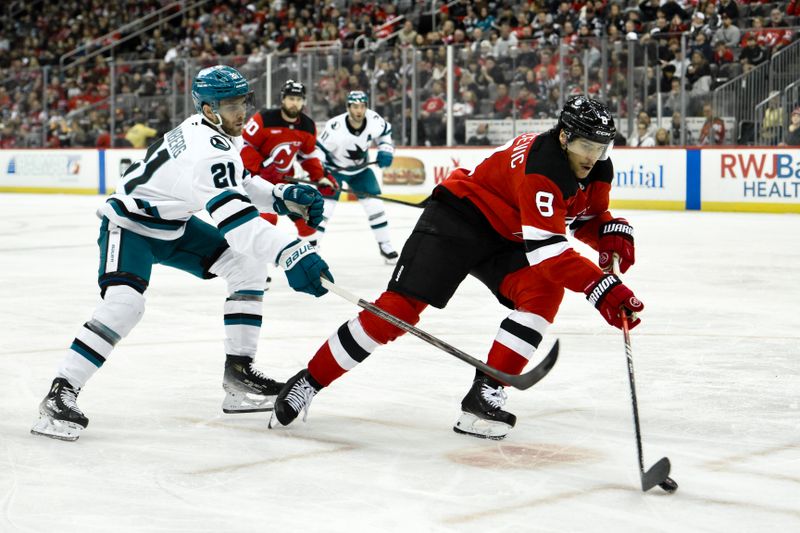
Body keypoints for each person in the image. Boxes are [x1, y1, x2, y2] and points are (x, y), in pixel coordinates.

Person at [269, 96, 644, 440]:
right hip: (458, 218)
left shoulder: (597, 169)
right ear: (564, 138)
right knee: (396, 312)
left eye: (600, 147)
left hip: (507, 235)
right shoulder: (543, 167)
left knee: (542, 293)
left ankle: (484, 396)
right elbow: (547, 249)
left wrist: (608, 232)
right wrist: (602, 287)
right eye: (585, 145)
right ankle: (309, 380)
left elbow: (581, 217)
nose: (592, 156)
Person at [30, 65, 333, 442]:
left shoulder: (214, 131)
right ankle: (61, 391)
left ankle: (238, 377)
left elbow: (238, 180)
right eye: (234, 104)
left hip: (174, 225)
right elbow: (238, 224)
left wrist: (280, 195)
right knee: (125, 305)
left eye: (244, 101)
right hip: (131, 226)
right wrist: (292, 252)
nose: (243, 111)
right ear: (209, 109)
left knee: (249, 269)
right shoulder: (208, 148)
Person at [241, 79, 338, 245]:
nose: (295, 103)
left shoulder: (308, 126)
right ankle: (258, 261)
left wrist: (319, 177)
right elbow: (243, 147)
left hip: (284, 182)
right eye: (291, 99)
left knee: (308, 226)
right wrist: (261, 166)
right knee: (266, 221)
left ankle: (307, 259)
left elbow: (307, 156)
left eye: (299, 99)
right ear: (283, 99)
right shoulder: (264, 118)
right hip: (257, 181)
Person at [313, 90, 399, 264]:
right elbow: (318, 150)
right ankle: (312, 246)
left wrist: (386, 149)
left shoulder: (374, 120)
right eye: (354, 106)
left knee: (375, 205)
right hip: (333, 169)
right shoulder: (335, 127)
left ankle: (385, 245)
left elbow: (385, 133)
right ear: (348, 107)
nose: (359, 110)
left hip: (360, 170)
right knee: (325, 208)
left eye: (362, 106)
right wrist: (320, 172)